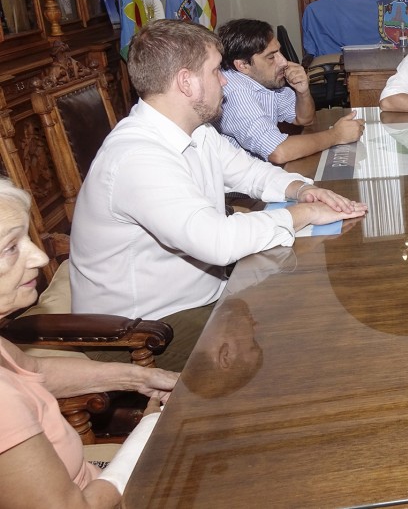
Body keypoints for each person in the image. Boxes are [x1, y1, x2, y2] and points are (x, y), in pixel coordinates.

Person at [69, 20, 368, 371]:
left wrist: (304, 190)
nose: (225, 81)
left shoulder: (194, 131)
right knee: (293, 348)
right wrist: (304, 214)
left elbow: (251, 172)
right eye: (215, 71)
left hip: (198, 295)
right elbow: (218, 242)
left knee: (307, 311)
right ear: (186, 82)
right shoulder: (138, 157)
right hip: (137, 328)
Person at [0, 178, 178, 508]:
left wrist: (140, 378)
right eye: (11, 248)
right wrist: (149, 431)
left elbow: (35, 371)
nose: (40, 257)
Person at [216, 18, 364, 164]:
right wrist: (336, 135)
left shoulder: (263, 81)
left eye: (279, 52)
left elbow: (305, 119)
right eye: (271, 57)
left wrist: (303, 92)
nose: (284, 62)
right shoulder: (237, 93)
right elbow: (278, 152)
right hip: (244, 178)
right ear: (242, 65)